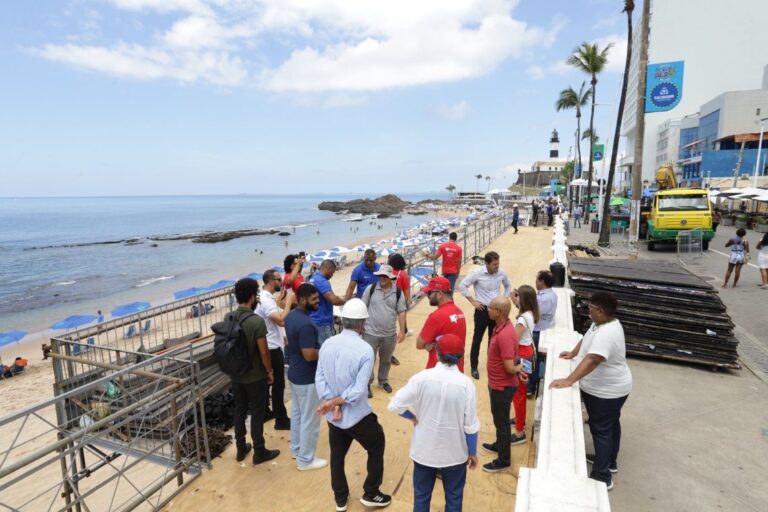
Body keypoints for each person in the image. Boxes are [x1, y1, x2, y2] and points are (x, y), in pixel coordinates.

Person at [550, 291, 632, 491]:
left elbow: (593, 359)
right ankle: (610, 461)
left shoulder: (607, 333)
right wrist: (573, 353)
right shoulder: (601, 324)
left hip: (606, 392)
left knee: (601, 429)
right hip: (611, 389)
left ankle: (602, 476)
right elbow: (587, 338)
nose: (588, 311)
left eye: (591, 308)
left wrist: (569, 380)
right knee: (610, 424)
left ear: (601, 312)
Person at [387, 334, 479, 512]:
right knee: (454, 498)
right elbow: (471, 425)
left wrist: (411, 416)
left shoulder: (421, 378)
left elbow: (395, 405)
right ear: (461, 356)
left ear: (437, 353)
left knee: (421, 497)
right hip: (455, 454)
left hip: (424, 451)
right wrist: (473, 452)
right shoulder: (467, 385)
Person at [315, 299, 391, 511]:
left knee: (337, 456)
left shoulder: (328, 343)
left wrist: (332, 402)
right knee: (376, 445)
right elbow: (358, 391)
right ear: (361, 324)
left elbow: (319, 379)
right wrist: (337, 402)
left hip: (335, 417)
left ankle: (340, 498)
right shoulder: (365, 350)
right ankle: (371, 492)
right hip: (357, 416)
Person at [229, 278, 280, 465]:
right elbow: (264, 351)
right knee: (257, 412)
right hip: (255, 375)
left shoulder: (229, 317)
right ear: (253, 297)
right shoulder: (256, 321)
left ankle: (241, 447)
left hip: (236, 374)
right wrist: (270, 371)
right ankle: (259, 450)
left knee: (239, 409)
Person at [285, 283, 326, 471]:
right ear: (302, 300)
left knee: (298, 414)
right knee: (311, 419)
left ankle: (296, 448)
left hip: (294, 374)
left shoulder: (291, 316)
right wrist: (325, 351)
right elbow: (309, 354)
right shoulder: (307, 325)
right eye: (314, 299)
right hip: (307, 378)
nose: (318, 301)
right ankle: (305, 460)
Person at [482, 296, 524, 473]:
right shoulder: (501, 327)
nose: (488, 309)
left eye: (490, 307)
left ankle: (504, 459)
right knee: (499, 419)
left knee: (502, 423)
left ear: (498, 312)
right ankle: (500, 445)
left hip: (502, 386)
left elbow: (509, 366)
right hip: (497, 384)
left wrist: (519, 368)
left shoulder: (505, 335)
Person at [459, 251, 512, 380]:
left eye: (498, 263)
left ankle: (491, 364)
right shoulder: (477, 273)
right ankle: (474, 367)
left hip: (497, 311)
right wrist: (473, 302)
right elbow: (463, 286)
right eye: (494, 264)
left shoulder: (501, 272)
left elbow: (508, 285)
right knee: (477, 338)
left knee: (493, 340)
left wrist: (503, 300)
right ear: (487, 263)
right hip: (482, 310)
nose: (497, 266)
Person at [255, 269, 293, 430]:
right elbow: (280, 320)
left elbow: (272, 320)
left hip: (271, 343)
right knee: (278, 384)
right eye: (278, 280)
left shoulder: (265, 298)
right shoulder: (266, 300)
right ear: (271, 282)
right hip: (271, 348)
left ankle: (266, 413)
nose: (281, 282)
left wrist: (282, 334)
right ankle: (281, 419)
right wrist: (290, 302)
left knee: (267, 384)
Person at [361, 265, 407, 397]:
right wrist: (360, 326)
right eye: (380, 276)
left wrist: (402, 331)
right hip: (370, 332)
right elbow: (362, 307)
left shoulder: (398, 292)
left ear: (390, 278)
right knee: (368, 360)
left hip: (389, 334)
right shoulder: (371, 289)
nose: (382, 278)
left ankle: (383, 380)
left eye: (385, 276)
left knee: (386, 359)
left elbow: (402, 312)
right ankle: (367, 384)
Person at [417, 277, 466, 373]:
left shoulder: (436, 316)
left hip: (437, 370)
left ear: (439, 294)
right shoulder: (460, 312)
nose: (428, 295)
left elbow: (419, 344)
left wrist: (428, 344)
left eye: (430, 293)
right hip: (457, 370)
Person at [509, 285, 539, 445]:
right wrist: (515, 300)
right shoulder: (529, 314)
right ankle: (520, 421)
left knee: (519, 394)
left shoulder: (522, 319)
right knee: (521, 392)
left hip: (521, 356)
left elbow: (513, 338)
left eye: (517, 296)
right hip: (527, 353)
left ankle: (520, 432)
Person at [528, 270, 557, 396]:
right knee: (536, 360)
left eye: (537, 280)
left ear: (542, 282)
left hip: (538, 332)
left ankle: (530, 387)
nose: (535, 282)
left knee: (533, 361)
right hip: (544, 330)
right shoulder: (552, 294)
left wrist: (519, 305)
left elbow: (534, 316)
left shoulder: (543, 299)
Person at [309, 260, 347, 345]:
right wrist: (346, 302)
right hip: (322, 322)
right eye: (332, 272)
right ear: (328, 269)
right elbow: (334, 300)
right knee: (327, 348)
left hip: (313, 318)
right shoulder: (322, 281)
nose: (332, 275)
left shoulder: (313, 278)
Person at [388, 252, 412, 348]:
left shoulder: (388, 273)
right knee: (402, 315)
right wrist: (408, 299)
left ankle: (392, 333)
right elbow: (406, 289)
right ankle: (404, 331)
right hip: (400, 298)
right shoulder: (403, 274)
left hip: (389, 297)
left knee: (391, 317)